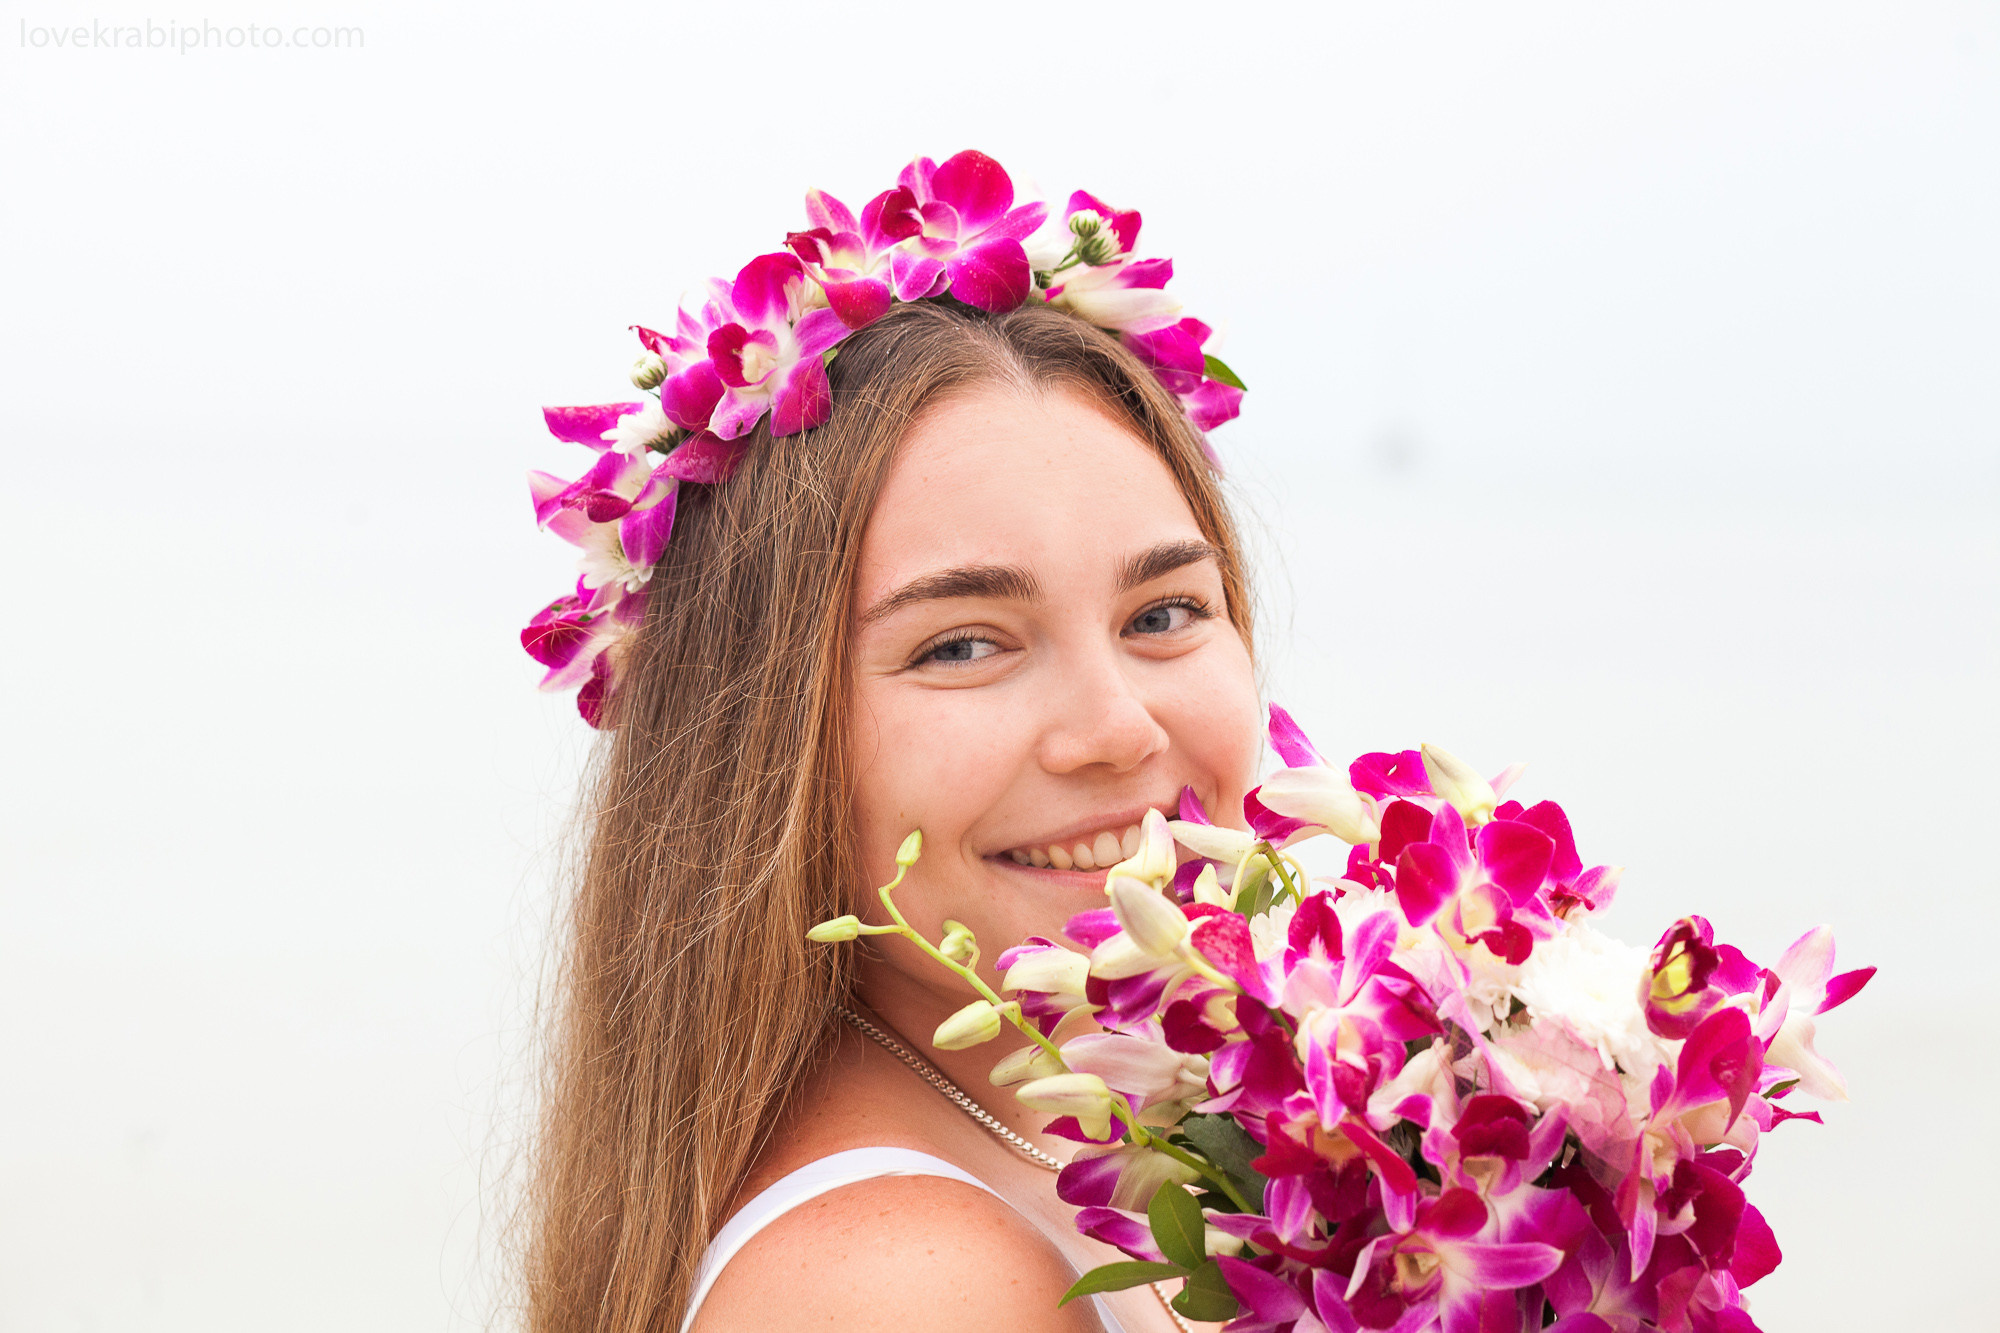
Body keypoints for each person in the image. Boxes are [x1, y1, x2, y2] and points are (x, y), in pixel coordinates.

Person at [518, 156, 1264, 1333]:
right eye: (963, 645)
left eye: (1162, 613)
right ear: (758, 742)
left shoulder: (1099, 1149)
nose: (1118, 728)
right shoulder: (910, 1285)